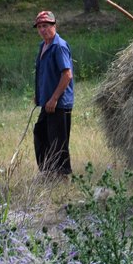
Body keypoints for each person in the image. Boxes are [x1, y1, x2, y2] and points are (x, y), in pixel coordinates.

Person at [32, 10, 74, 176]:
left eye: (46, 26)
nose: (43, 30)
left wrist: (54, 98)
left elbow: (67, 75)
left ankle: (62, 175)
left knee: (58, 141)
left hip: (59, 103)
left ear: (54, 25)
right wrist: (40, 95)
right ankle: (48, 172)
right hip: (47, 101)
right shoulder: (43, 46)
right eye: (40, 27)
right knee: (41, 134)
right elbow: (44, 73)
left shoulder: (59, 46)